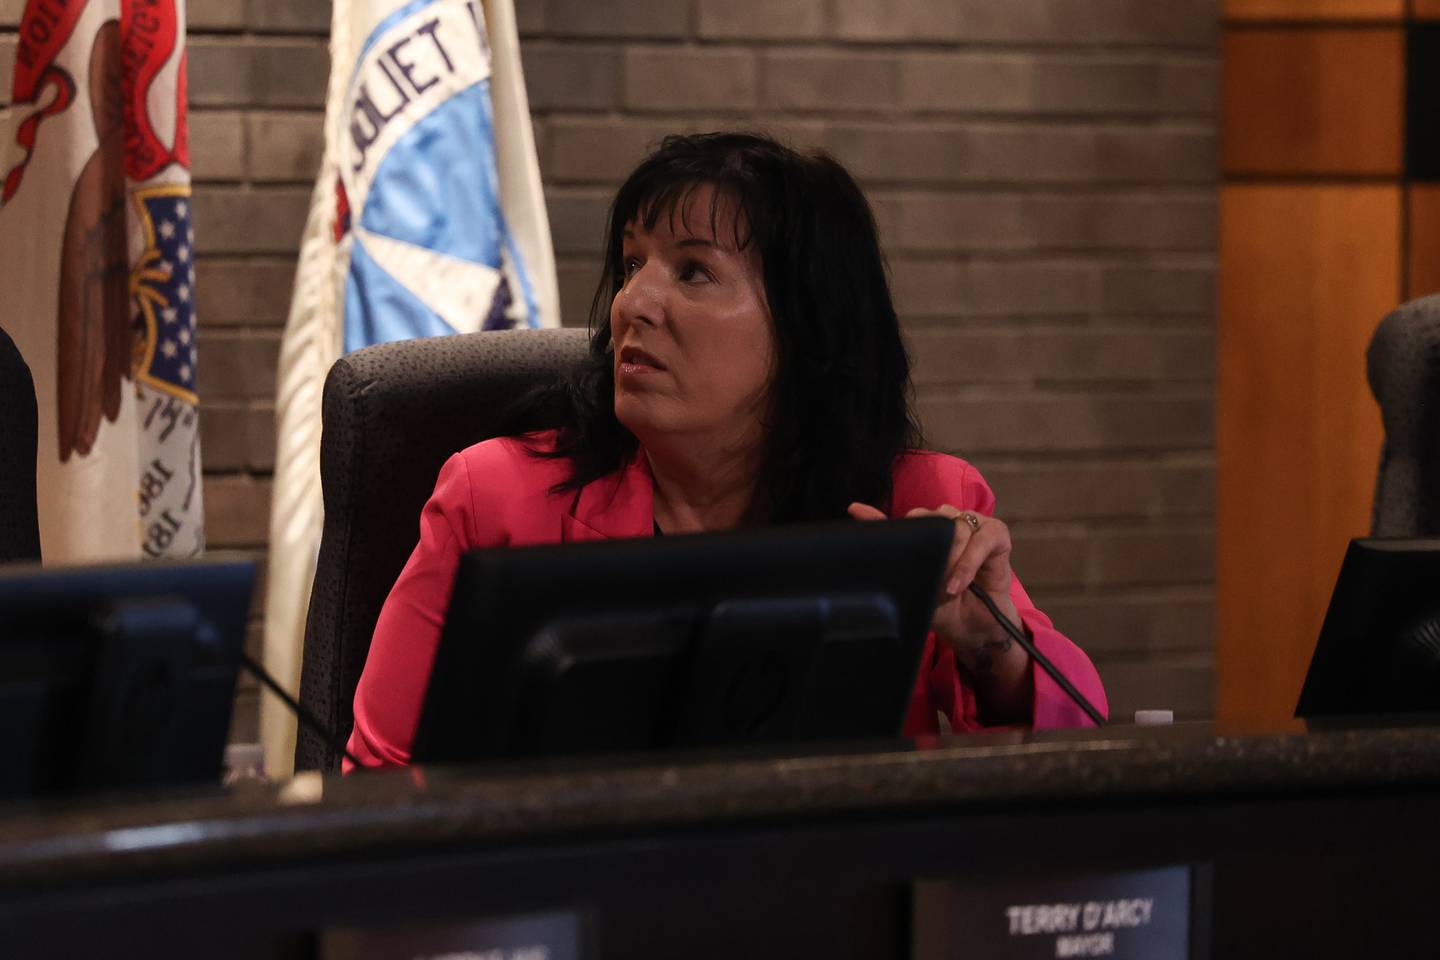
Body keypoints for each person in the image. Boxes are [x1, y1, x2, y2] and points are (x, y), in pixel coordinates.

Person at [346, 132, 1107, 769]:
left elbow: (1078, 763)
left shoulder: (914, 509)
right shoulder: (497, 499)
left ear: (808, 328)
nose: (632, 303)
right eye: (633, 262)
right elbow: (378, 782)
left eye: (694, 271)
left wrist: (990, 651)